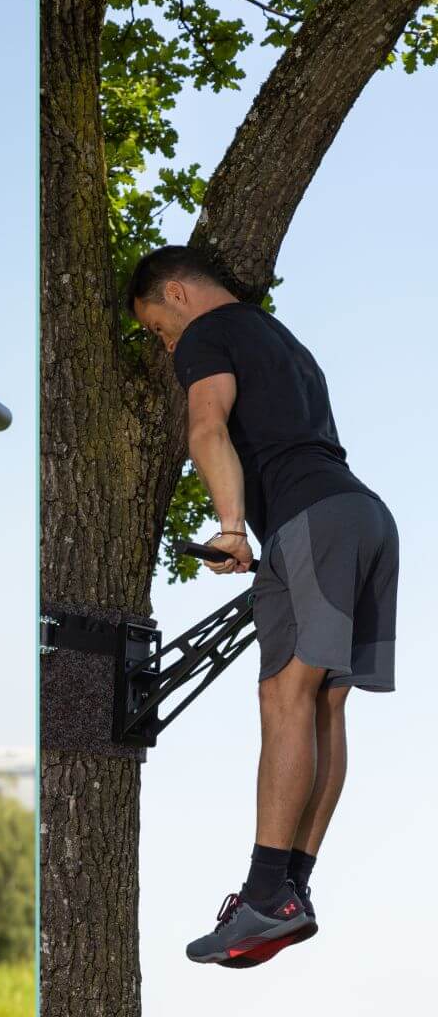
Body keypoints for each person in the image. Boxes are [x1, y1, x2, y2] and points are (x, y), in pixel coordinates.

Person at [125, 245, 399, 967]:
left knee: (285, 698)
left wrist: (229, 527)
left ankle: (264, 893)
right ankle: (292, 892)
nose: (167, 345)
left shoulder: (209, 335)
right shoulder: (285, 341)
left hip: (310, 522)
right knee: (324, 707)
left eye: (158, 329)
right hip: (364, 515)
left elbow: (207, 428)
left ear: (177, 295)